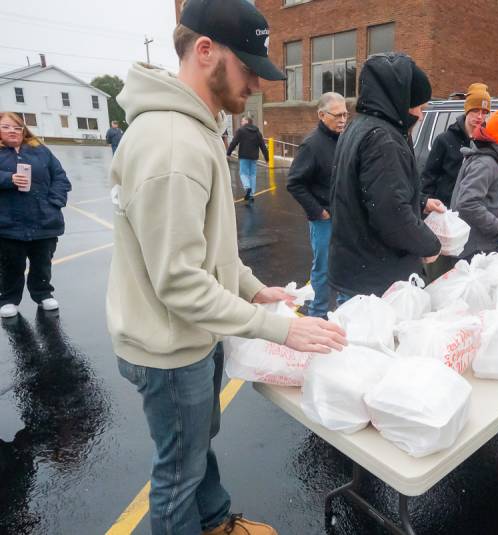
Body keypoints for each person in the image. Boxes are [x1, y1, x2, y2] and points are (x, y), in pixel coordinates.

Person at [106, 1, 346, 534]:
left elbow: (210, 251)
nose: (257, 86)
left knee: (195, 450)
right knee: (176, 476)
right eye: (249, 68)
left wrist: (257, 290)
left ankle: (214, 522)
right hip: (167, 347)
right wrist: (281, 328)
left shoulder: (198, 128)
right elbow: (180, 281)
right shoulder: (171, 144)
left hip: (188, 337)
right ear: (205, 50)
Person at [328, 52, 444, 299]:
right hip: (376, 282)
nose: (421, 115)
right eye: (419, 106)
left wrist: (421, 202)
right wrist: (429, 244)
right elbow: (390, 213)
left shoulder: (360, 127)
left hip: (357, 270)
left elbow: (371, 190)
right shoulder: (383, 139)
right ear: (401, 101)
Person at [0, 112, 71, 319]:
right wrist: (8, 179)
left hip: (44, 221)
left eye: (17, 127)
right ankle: (9, 299)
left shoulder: (40, 151)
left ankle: (43, 294)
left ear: (24, 130)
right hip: (8, 223)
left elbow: (60, 177)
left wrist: (54, 203)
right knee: (11, 264)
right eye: (6, 127)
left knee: (42, 261)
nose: (12, 131)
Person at [286, 92, 347, 317]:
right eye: (337, 115)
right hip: (324, 221)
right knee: (322, 270)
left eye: (345, 115)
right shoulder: (311, 145)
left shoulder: (344, 139)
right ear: (321, 115)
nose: (342, 120)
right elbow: (294, 183)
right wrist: (318, 212)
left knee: (344, 265)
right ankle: (317, 313)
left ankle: (344, 311)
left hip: (345, 218)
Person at [449, 111, 498, 262]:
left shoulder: (492, 160)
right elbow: (467, 203)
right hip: (474, 247)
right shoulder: (485, 164)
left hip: (481, 241)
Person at [420, 82, 491, 207]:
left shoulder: (487, 143)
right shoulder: (445, 140)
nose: (480, 116)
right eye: (475, 110)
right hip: (445, 209)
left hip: (473, 210)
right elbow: (428, 177)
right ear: (467, 110)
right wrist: (428, 204)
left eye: (484, 112)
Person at [227, 116, 269, 201]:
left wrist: (228, 153)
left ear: (246, 121)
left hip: (244, 156)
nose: (241, 123)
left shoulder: (241, 131)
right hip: (254, 157)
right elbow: (263, 145)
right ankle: (251, 194)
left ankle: (247, 187)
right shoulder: (257, 132)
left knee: (243, 173)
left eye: (242, 121)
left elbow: (234, 142)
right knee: (252, 174)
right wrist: (267, 158)